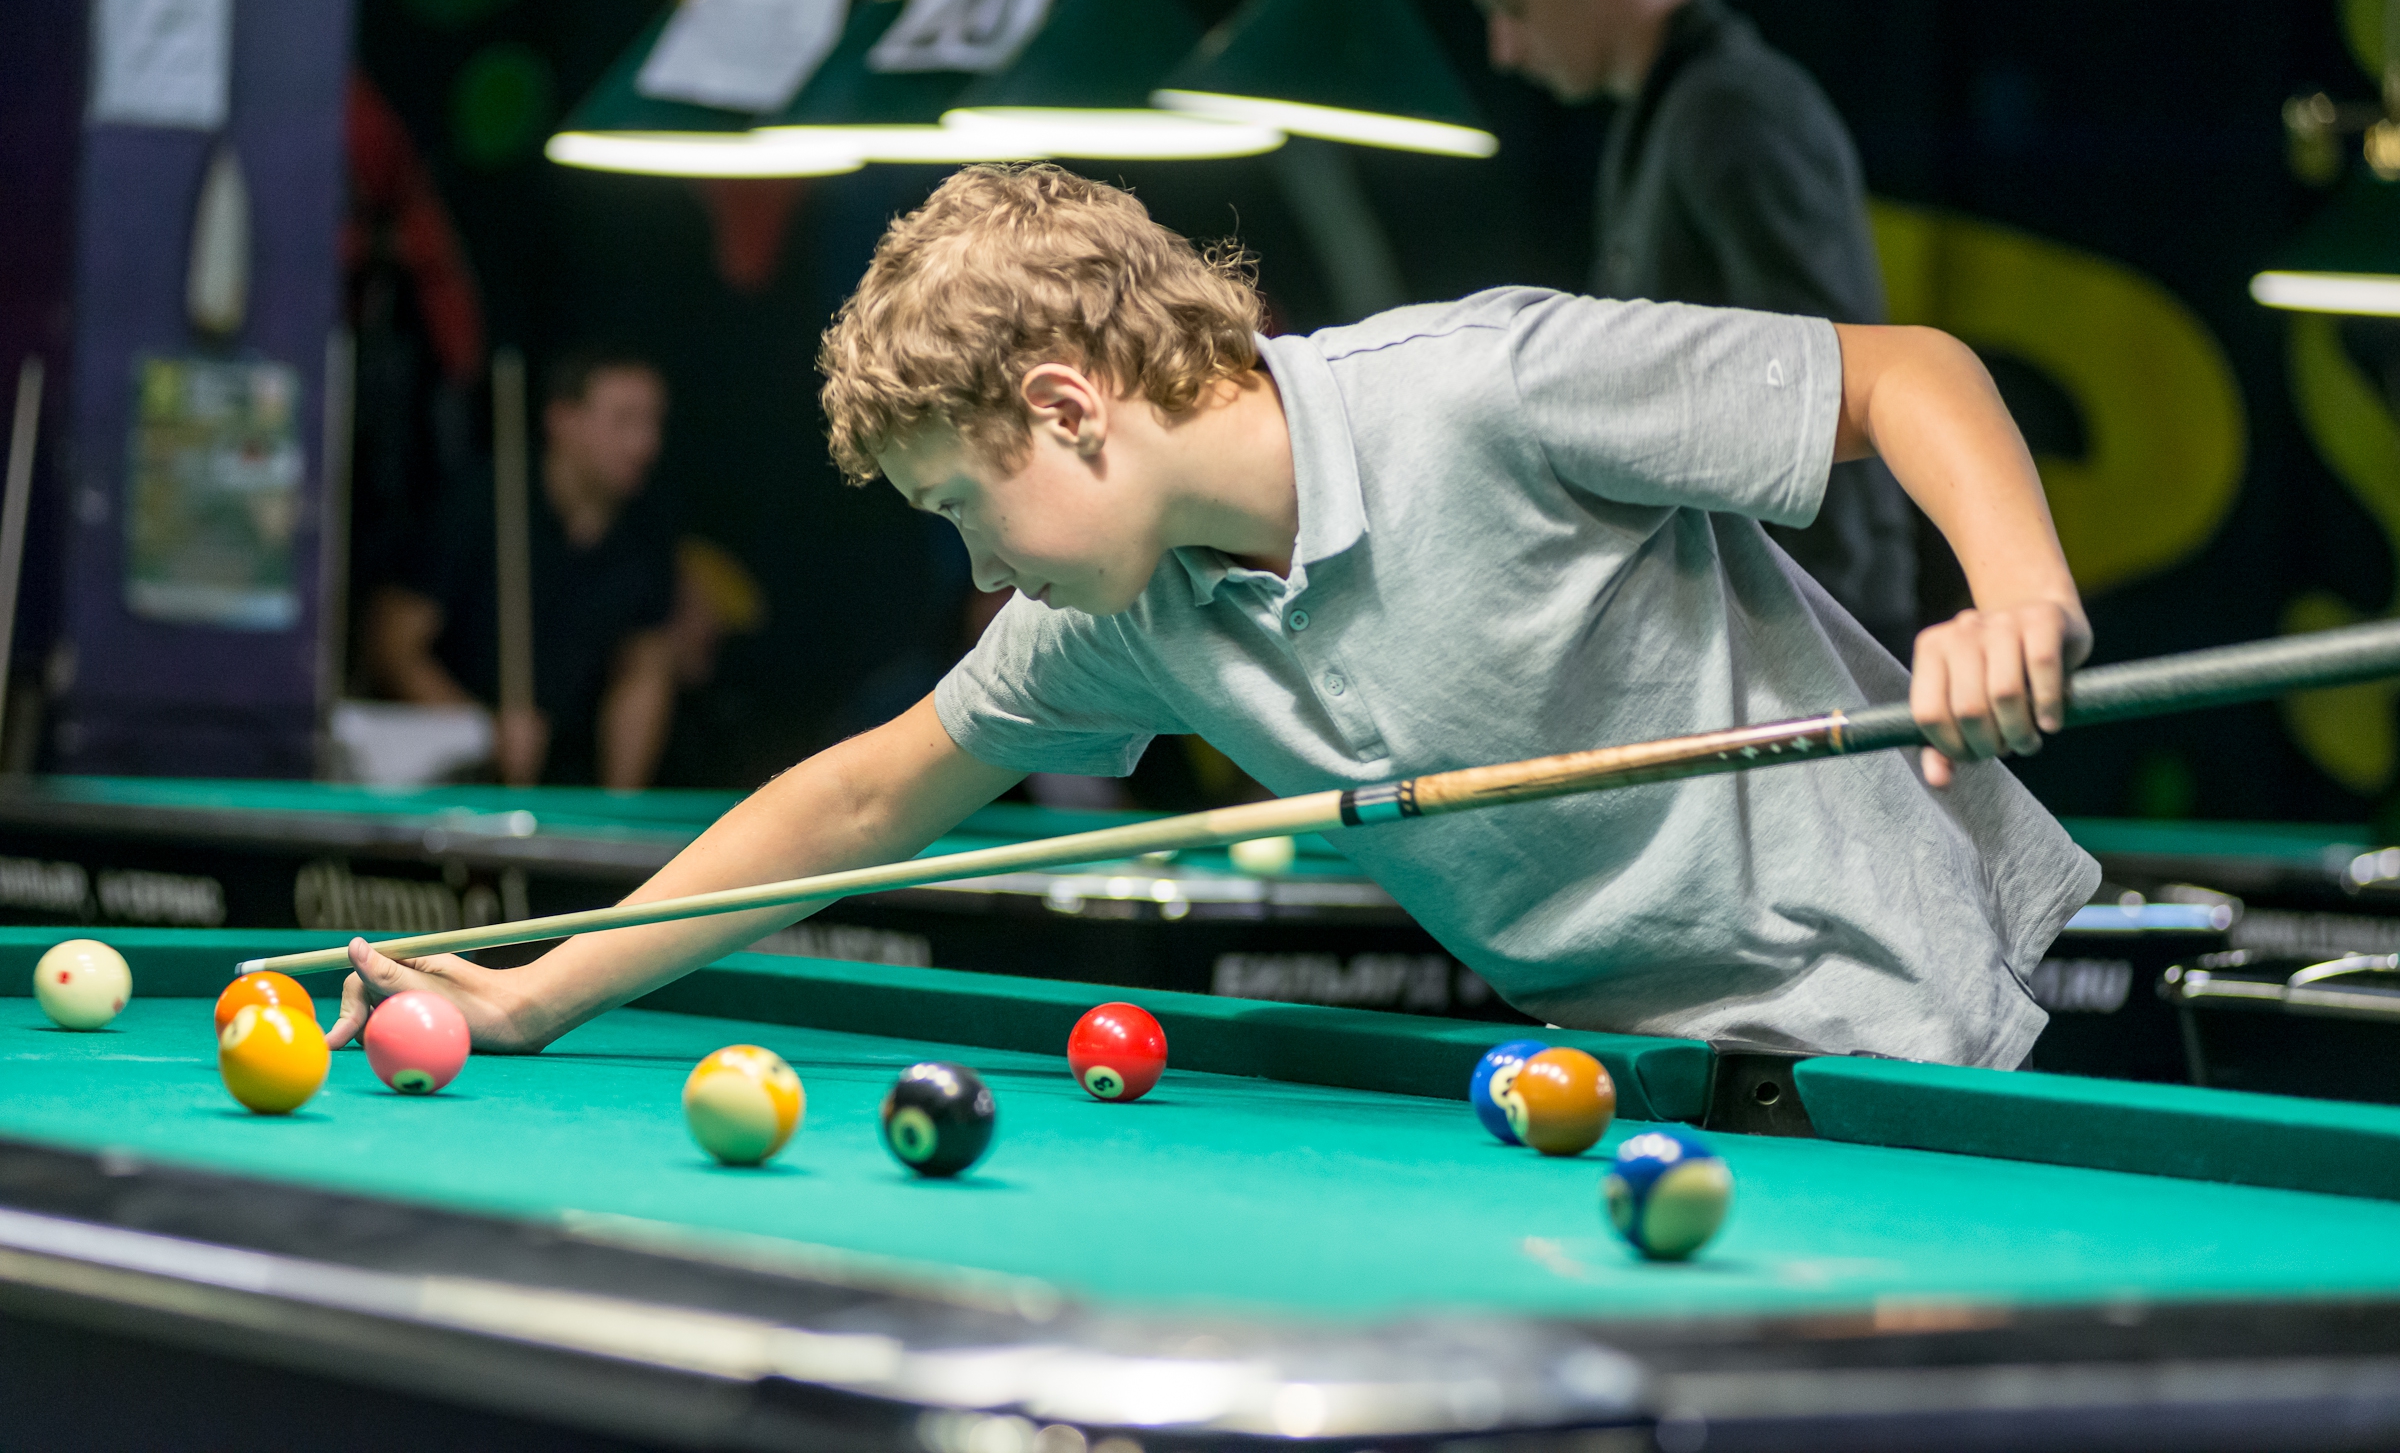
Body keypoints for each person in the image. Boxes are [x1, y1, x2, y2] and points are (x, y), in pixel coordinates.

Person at [326, 166, 2097, 1071]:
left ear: (1067, 407)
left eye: (964, 504)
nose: (979, 566)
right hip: (1650, 1062)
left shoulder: (1480, 387)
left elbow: (1907, 377)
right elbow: (859, 798)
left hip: (1915, 1011)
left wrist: (2012, 599)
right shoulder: (1126, 615)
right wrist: (543, 992)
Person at [1433, 0, 1920, 658]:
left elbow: (1839, 380)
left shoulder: (1729, 109)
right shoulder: (1675, 110)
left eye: (1512, 4)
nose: (1504, 49)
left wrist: (1826, 650)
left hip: (1817, 630)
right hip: (1779, 625)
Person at [362, 350, 678, 788]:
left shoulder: (648, 528)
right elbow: (392, 645)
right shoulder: (481, 505)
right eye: (624, 421)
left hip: (570, 783)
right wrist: (483, 732)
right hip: (447, 780)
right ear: (562, 420)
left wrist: (618, 808)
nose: (645, 445)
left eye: (652, 423)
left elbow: (645, 670)